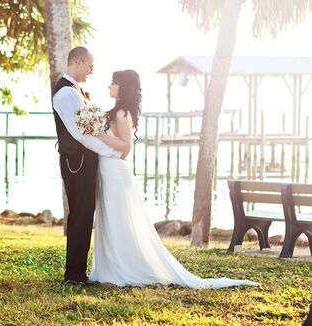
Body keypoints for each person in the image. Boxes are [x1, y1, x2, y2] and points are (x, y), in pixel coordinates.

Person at [89, 69, 260, 288]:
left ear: (123, 86)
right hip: (107, 171)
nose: (109, 86)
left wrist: (101, 137)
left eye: (113, 83)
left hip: (115, 174)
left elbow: (125, 147)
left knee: (117, 221)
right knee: (109, 220)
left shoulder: (123, 114)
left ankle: (121, 268)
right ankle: (109, 267)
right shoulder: (115, 112)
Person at [52, 46, 120, 285]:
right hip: (76, 162)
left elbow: (89, 128)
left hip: (83, 161)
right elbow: (81, 133)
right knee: (81, 214)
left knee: (84, 214)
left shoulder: (76, 91)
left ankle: (77, 272)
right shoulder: (66, 94)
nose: (92, 71)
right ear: (78, 62)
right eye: (90, 66)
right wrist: (110, 151)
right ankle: (74, 274)